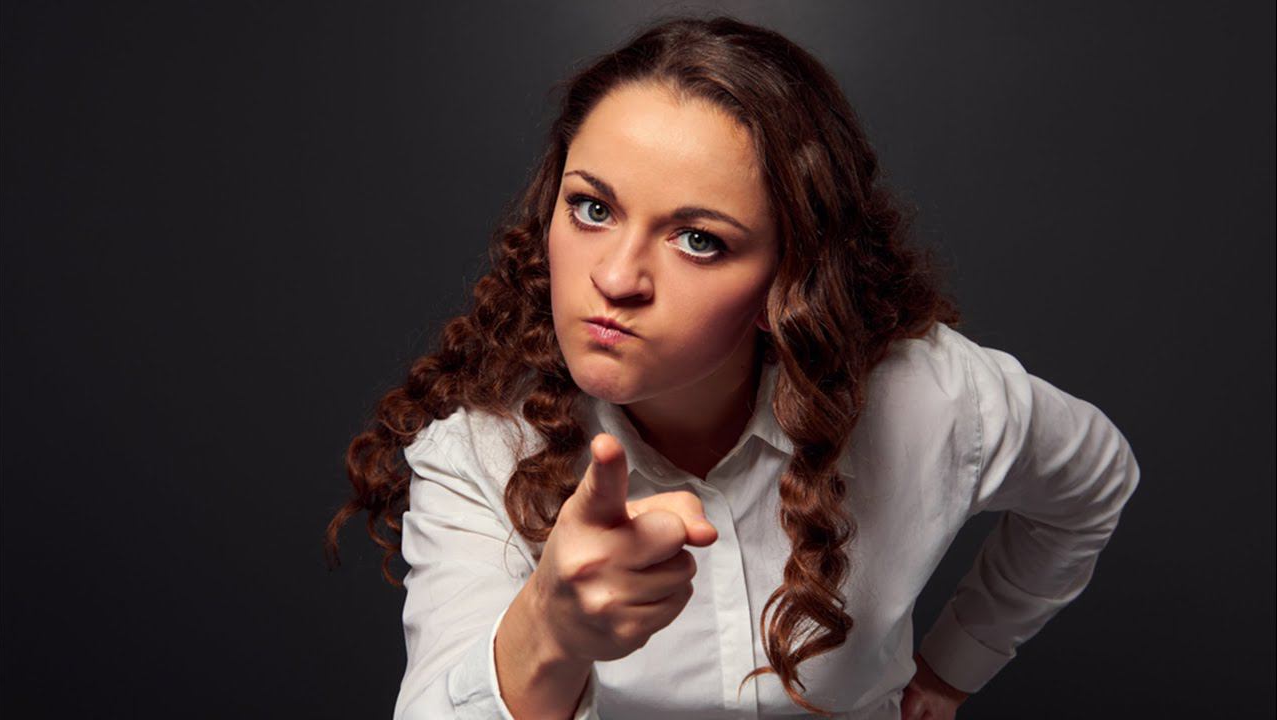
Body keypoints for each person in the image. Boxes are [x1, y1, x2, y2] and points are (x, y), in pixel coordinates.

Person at [324, 14, 1140, 720]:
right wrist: (550, 628)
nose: (616, 278)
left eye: (699, 239)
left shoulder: (928, 398)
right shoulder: (479, 455)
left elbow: (1094, 480)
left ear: (789, 280)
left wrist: (955, 665)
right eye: (592, 208)